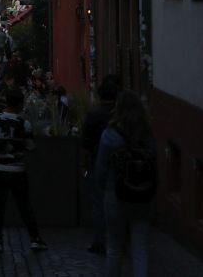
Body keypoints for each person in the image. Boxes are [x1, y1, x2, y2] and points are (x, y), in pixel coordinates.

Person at [94, 90, 156, 277]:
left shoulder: (109, 134)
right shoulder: (147, 134)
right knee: (140, 247)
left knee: (114, 247)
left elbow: (101, 169)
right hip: (143, 195)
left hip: (115, 194)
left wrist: (103, 189)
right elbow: (155, 165)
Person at [0, 86, 47, 253]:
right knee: (24, 205)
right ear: (20, 104)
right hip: (17, 169)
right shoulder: (23, 123)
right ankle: (34, 238)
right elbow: (30, 146)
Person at [82, 78, 120, 255]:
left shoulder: (94, 114)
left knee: (98, 203)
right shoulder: (121, 115)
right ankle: (119, 239)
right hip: (122, 164)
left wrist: (85, 162)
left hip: (98, 162)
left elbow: (86, 142)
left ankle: (99, 241)